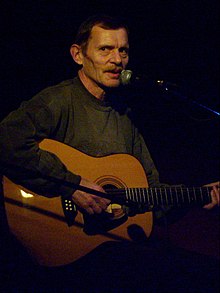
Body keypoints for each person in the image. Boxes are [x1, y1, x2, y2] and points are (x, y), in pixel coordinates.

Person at [0, 14, 219, 292]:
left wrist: (197, 197)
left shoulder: (125, 118)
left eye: (123, 50)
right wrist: (71, 184)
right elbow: (7, 141)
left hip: (108, 259)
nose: (117, 59)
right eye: (105, 49)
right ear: (78, 55)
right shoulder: (58, 101)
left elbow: (152, 198)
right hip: (56, 254)